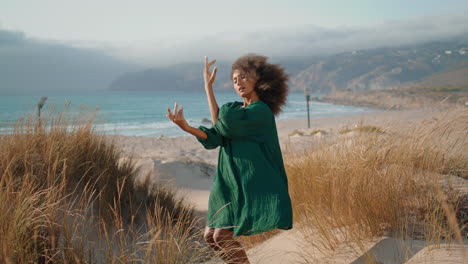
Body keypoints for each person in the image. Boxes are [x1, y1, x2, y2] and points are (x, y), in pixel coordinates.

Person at [167, 54, 293, 264]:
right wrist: (187, 127)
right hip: (226, 182)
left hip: (247, 182)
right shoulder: (237, 112)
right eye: (234, 80)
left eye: (244, 77)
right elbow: (216, 135)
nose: (238, 83)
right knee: (210, 237)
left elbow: (223, 125)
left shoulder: (260, 111)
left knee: (221, 236)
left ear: (259, 80)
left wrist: (210, 91)